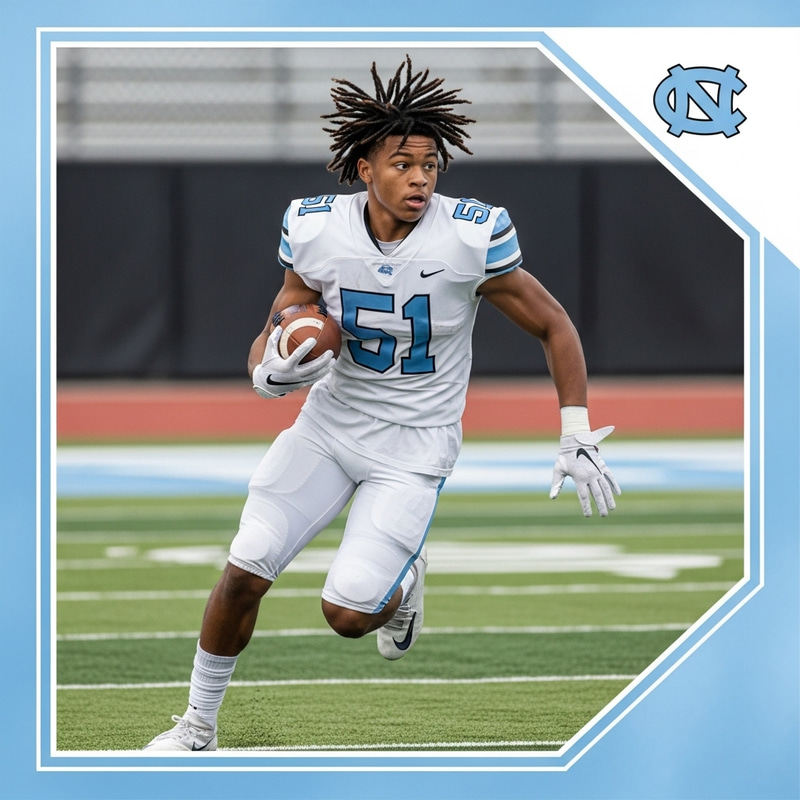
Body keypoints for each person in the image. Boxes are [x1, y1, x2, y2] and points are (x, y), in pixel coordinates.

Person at [144, 56, 620, 752]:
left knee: (346, 614)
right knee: (245, 568)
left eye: (431, 163)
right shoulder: (315, 227)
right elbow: (287, 312)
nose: (421, 177)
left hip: (414, 447)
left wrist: (575, 428)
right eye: (403, 163)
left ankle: (400, 592)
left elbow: (554, 324)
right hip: (329, 427)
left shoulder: (470, 234)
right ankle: (196, 727)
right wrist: (268, 368)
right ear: (364, 168)